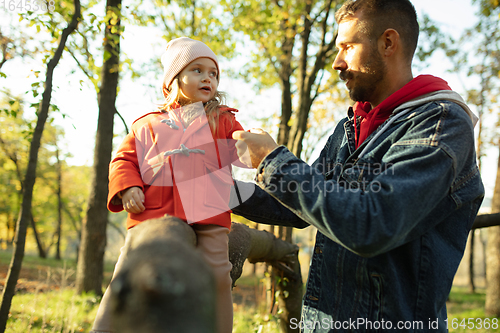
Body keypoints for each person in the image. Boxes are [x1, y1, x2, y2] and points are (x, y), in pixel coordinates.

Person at [230, 0, 484, 332]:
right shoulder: (350, 127)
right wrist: (210, 188)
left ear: (388, 43)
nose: (337, 63)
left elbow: (373, 223)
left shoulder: (440, 125)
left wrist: (273, 160)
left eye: (348, 47)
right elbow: (301, 207)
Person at [90, 37, 244, 333]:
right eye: (197, 70)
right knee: (128, 268)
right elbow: (123, 160)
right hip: (154, 211)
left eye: (213, 74)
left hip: (208, 209)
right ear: (174, 79)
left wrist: (254, 144)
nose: (207, 78)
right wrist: (128, 187)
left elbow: (240, 148)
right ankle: (103, 329)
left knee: (218, 275)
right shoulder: (147, 124)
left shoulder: (221, 119)